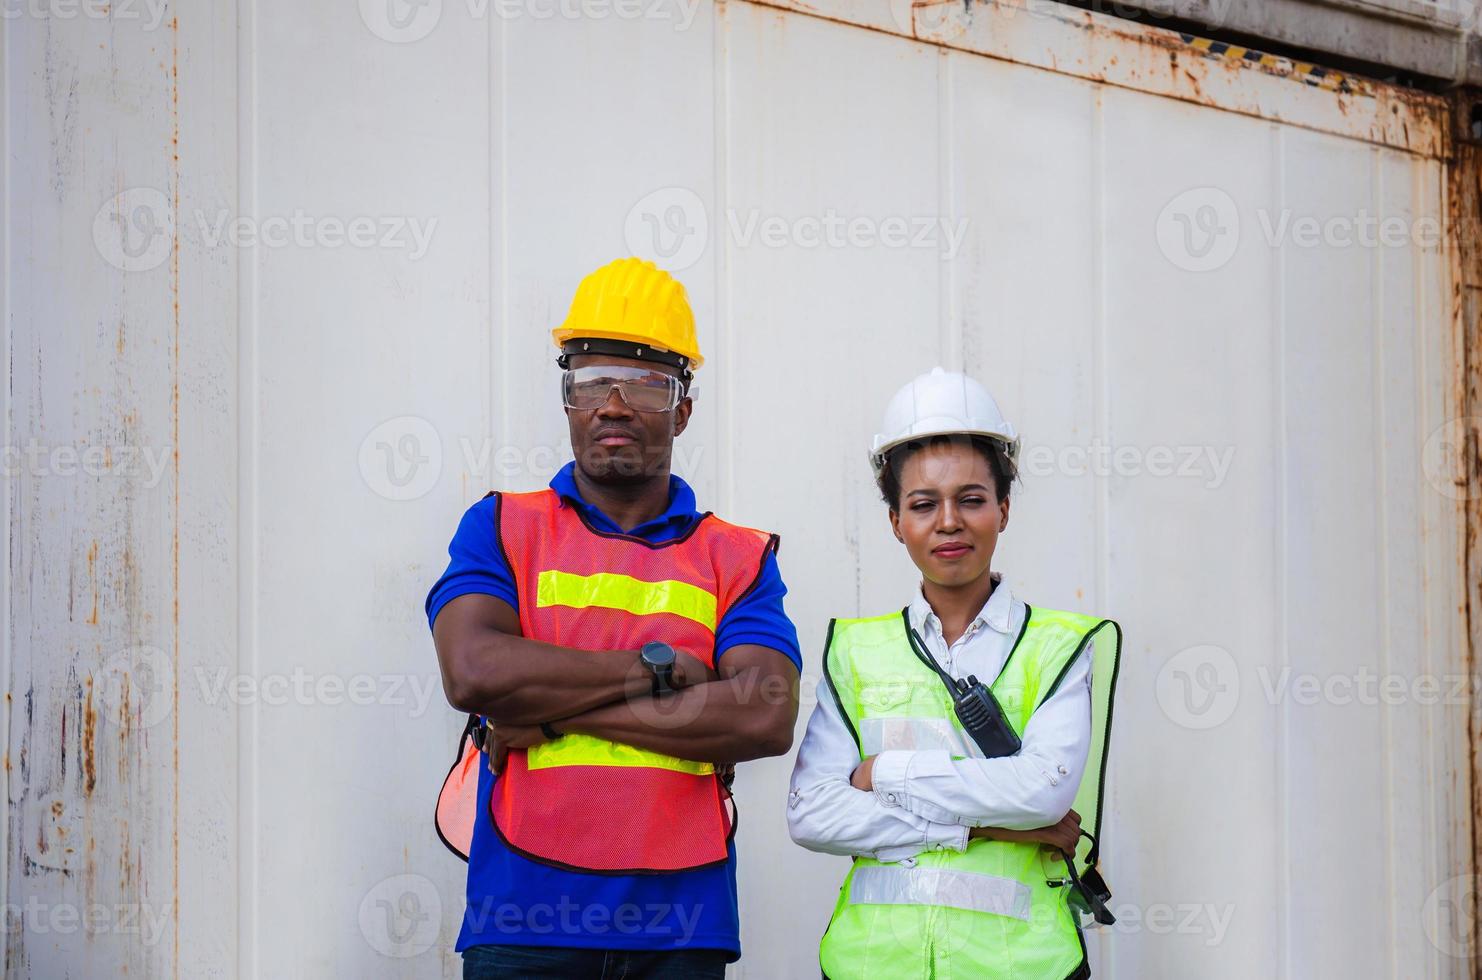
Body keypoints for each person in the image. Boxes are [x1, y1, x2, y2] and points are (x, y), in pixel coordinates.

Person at [428, 257, 802, 979]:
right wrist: (656, 672)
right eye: (592, 381)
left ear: (683, 408)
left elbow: (763, 717)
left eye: (649, 385)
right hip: (522, 919)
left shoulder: (739, 556)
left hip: (681, 927)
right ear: (567, 400)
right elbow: (473, 671)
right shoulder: (502, 526)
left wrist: (545, 716)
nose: (615, 403)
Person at [787, 367, 1121, 980]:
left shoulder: (1060, 645)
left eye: (971, 499)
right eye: (922, 503)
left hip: (1023, 968)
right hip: (872, 966)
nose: (948, 521)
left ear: (1004, 509)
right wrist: (992, 825)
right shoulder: (855, 649)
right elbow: (812, 813)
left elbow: (1043, 791)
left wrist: (883, 774)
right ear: (895, 521)